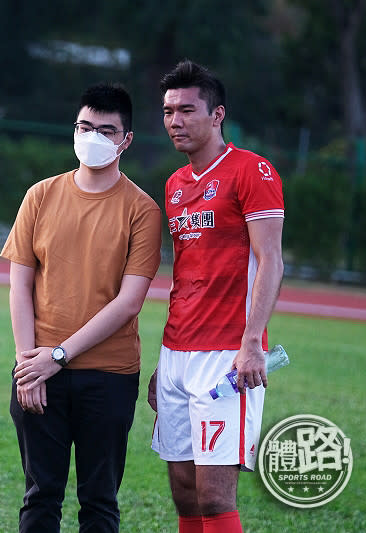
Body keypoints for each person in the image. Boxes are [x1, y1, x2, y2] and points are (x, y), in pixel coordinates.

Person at [3, 83, 162, 532]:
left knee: (99, 501)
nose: (92, 137)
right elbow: (19, 287)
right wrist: (27, 365)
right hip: (38, 370)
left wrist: (57, 357)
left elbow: (129, 302)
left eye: (106, 130)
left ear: (126, 140)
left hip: (108, 376)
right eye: (84, 126)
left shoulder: (142, 210)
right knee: (39, 497)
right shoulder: (40, 195)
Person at [148, 60, 284, 533]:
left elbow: (271, 260)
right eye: (168, 111)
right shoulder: (174, 184)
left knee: (213, 494)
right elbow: (187, 275)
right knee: (184, 491)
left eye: (187, 110)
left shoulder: (252, 170)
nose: (174, 121)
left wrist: (252, 344)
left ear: (217, 114)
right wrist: (165, 362)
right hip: (177, 351)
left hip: (227, 353)